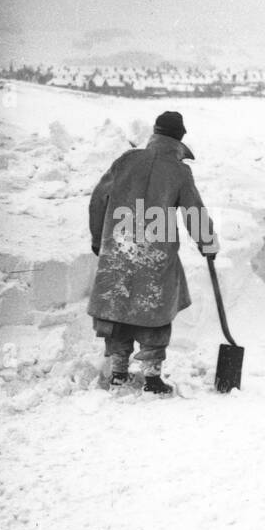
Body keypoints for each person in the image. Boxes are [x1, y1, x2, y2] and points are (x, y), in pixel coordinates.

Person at [88, 110, 219, 395]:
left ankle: (119, 372)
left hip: (119, 251)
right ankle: (151, 377)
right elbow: (194, 213)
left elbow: (99, 199)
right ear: (179, 139)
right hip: (156, 256)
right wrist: (207, 243)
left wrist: (98, 238)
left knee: (118, 309)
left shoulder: (126, 160)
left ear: (154, 132)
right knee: (154, 313)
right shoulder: (179, 171)